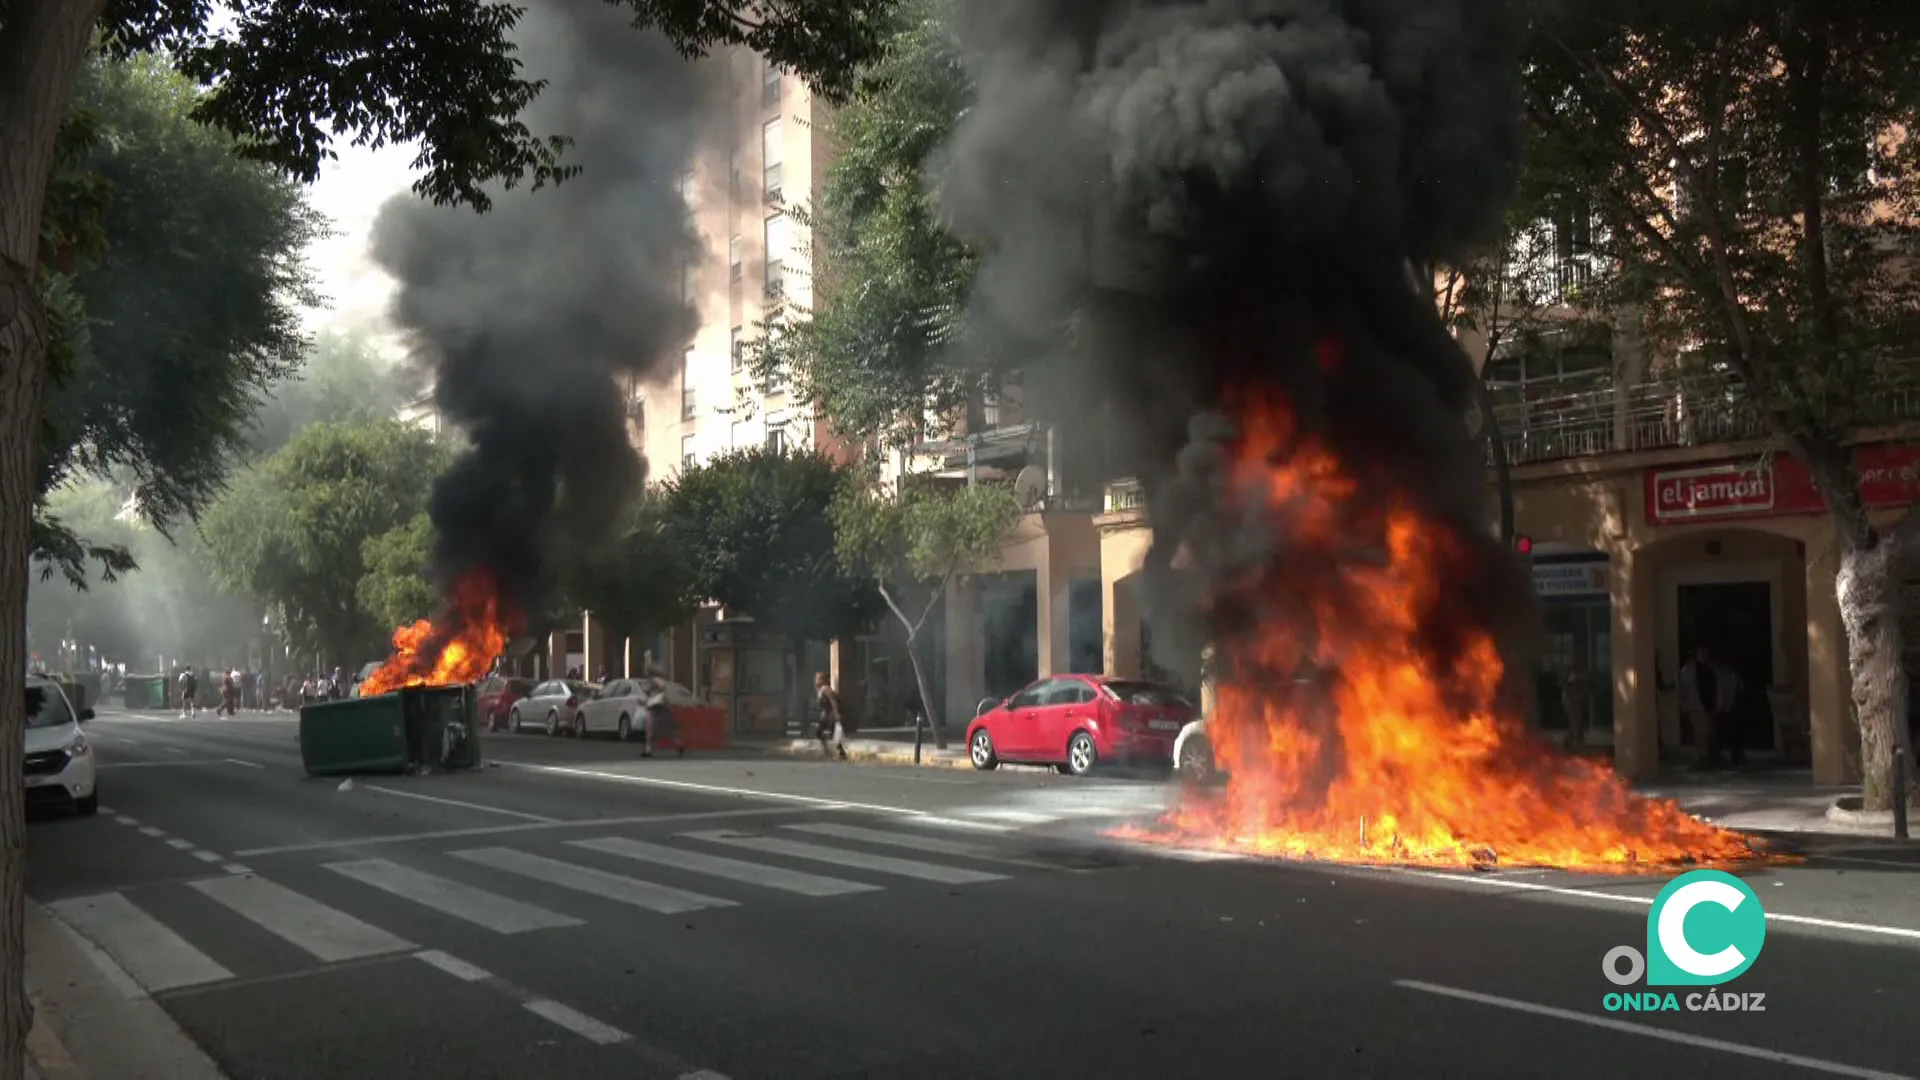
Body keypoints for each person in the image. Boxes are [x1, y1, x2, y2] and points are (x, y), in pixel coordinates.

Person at [1679, 644, 1741, 769]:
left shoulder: (1712, 669)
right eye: (1701, 652)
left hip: (1710, 705)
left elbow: (1720, 686)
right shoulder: (1688, 670)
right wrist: (1683, 704)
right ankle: (1702, 757)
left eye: (1705, 652)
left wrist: (1721, 703)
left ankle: (1708, 756)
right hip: (1695, 705)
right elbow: (1683, 689)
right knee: (1699, 732)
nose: (1703, 654)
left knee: (1709, 732)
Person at [814, 672, 848, 760]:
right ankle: (828, 750)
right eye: (816, 679)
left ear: (823, 680)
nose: (816, 681)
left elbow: (833, 701)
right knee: (819, 732)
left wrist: (836, 714)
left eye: (818, 679)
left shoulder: (826, 689)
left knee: (832, 734)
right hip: (825, 714)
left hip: (830, 715)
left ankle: (840, 753)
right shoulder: (819, 690)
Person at [1560, 656, 1590, 753]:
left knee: (1578, 723)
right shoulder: (1570, 675)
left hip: (1577, 701)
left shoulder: (1579, 675)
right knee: (1575, 722)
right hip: (1571, 701)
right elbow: (1565, 686)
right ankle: (1576, 744)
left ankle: (1570, 742)